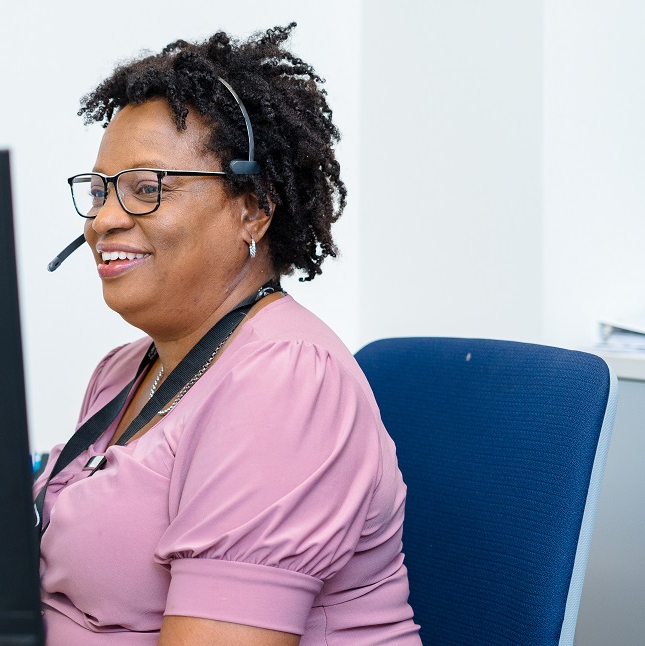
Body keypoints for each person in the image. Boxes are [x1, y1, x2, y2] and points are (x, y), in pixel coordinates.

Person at [34, 24, 421, 645]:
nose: (104, 219)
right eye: (102, 190)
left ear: (253, 209)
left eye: (145, 189)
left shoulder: (285, 385)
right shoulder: (125, 371)